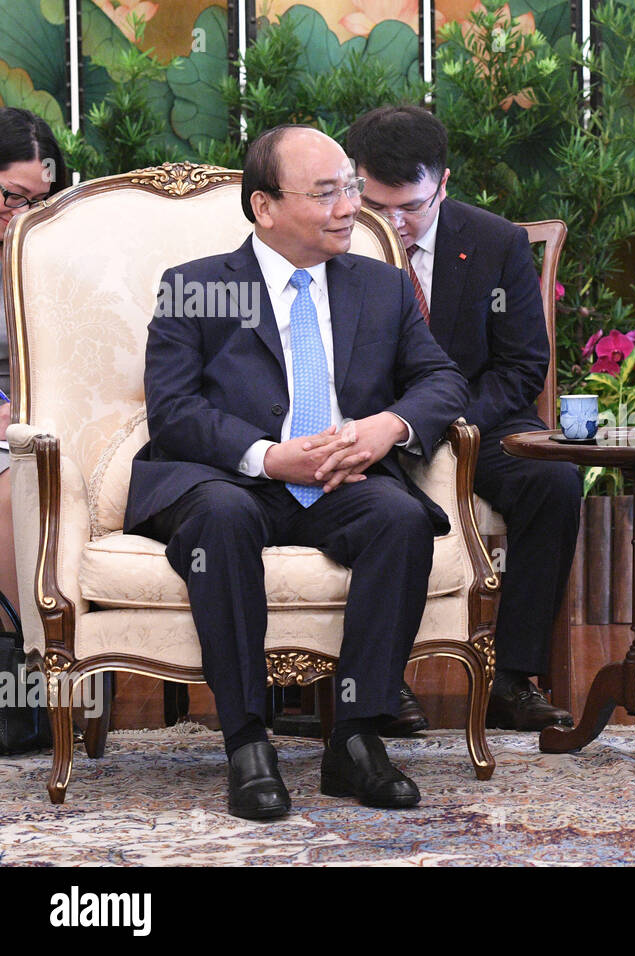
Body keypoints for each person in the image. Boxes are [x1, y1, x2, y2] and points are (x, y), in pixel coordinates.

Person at [125, 125, 470, 819]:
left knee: (400, 519)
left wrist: (387, 428)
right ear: (265, 207)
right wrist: (266, 455)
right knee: (221, 519)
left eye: (349, 187)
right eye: (326, 193)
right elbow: (175, 411)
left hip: (340, 481)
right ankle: (248, 742)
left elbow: (441, 380)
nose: (349, 206)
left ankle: (358, 737)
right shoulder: (197, 287)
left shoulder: (380, 285)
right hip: (233, 479)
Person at [346, 106, 579, 733]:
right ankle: (371, 680)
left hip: (476, 417)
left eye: (410, 207)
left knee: (554, 483)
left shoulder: (496, 242)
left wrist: (445, 427)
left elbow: (523, 364)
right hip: (363, 422)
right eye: (374, 205)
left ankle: (511, 677)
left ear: (443, 184)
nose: (391, 224)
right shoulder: (331, 241)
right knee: (348, 495)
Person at [0, 108, 69, 618]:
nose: (22, 214)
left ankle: (55, 669)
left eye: (39, 203)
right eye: (10, 196)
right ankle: (23, 669)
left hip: (44, 420)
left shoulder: (53, 257)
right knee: (11, 497)